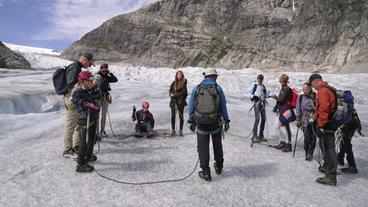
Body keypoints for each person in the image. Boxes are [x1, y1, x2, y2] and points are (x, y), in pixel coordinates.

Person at [188, 68, 230, 182]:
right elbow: (223, 106)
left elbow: (191, 105)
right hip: (215, 121)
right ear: (214, 76)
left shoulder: (197, 88)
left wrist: (191, 120)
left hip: (201, 122)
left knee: (203, 147)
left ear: (205, 76)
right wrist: (226, 120)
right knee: (217, 145)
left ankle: (206, 173)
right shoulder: (218, 88)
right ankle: (219, 166)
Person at [63, 52, 94, 158]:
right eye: (89, 64)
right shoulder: (74, 67)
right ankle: (67, 150)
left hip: (76, 98)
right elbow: (70, 83)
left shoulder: (77, 67)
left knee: (77, 125)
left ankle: (77, 146)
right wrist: (84, 84)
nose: (88, 66)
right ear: (85, 60)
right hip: (72, 99)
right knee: (70, 125)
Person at [309, 73, 337, 186]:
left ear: (315, 81)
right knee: (327, 146)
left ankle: (331, 176)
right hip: (330, 122)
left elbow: (324, 109)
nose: (313, 87)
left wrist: (320, 125)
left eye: (312, 84)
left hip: (327, 124)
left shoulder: (322, 91)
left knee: (329, 148)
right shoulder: (329, 89)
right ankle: (327, 168)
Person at [72, 71, 100, 172]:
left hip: (91, 119)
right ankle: (81, 164)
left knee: (92, 140)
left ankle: (88, 156)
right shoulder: (77, 92)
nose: (91, 82)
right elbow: (77, 101)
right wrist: (88, 104)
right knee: (84, 142)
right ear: (82, 81)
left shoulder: (87, 91)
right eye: (89, 81)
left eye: (91, 80)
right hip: (85, 120)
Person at [245, 74, 271, 142]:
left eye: (261, 79)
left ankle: (261, 135)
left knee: (264, 119)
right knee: (257, 119)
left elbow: (266, 95)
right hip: (256, 103)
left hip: (262, 103)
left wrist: (269, 95)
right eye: (259, 78)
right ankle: (254, 135)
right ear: (257, 78)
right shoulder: (254, 85)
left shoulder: (263, 86)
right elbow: (246, 92)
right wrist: (253, 96)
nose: (260, 80)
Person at [295, 82, 317, 161]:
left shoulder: (315, 97)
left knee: (313, 138)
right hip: (304, 120)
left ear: (310, 88)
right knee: (307, 137)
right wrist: (298, 119)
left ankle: (310, 153)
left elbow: (318, 110)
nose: (304, 91)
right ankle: (307, 152)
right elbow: (298, 108)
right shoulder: (300, 97)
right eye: (303, 89)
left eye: (306, 89)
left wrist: (312, 119)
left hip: (314, 120)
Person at [96, 63, 118, 138]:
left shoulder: (107, 77)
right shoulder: (97, 76)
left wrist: (110, 73)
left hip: (105, 96)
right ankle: (96, 132)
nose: (104, 72)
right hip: (98, 97)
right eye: (103, 71)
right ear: (100, 69)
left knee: (104, 115)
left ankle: (102, 130)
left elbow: (115, 80)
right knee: (97, 115)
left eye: (106, 71)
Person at [272, 74, 293, 152]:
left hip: (286, 110)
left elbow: (281, 100)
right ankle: (282, 142)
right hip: (282, 110)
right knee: (277, 126)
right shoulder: (283, 88)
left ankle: (289, 144)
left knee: (286, 126)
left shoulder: (286, 89)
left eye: (281, 80)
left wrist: (274, 97)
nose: (280, 81)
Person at [169, 70, 188, 136]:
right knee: (173, 116)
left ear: (182, 75)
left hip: (180, 102)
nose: (179, 76)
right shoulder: (173, 83)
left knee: (181, 116)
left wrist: (175, 95)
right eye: (178, 74)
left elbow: (184, 92)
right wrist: (170, 94)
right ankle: (173, 130)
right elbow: (170, 90)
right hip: (173, 102)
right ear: (176, 75)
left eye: (180, 74)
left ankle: (180, 130)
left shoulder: (184, 82)